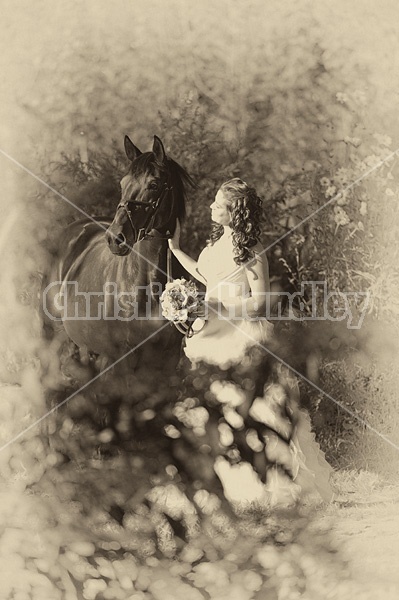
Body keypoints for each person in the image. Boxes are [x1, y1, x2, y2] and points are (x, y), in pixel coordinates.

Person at [168, 178, 334, 505]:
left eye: (219, 203)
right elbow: (206, 276)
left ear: (235, 211)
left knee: (255, 407)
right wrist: (175, 251)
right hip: (212, 333)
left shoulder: (253, 249)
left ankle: (271, 487)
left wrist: (220, 307)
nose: (212, 207)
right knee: (215, 405)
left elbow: (259, 301)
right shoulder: (214, 246)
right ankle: (229, 487)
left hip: (242, 331)